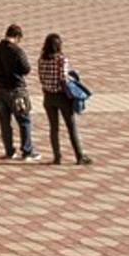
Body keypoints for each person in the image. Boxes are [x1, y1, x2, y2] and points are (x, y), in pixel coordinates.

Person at [0, 23, 37, 161]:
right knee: (24, 120)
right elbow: (26, 69)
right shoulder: (17, 51)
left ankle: (9, 151)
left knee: (5, 122)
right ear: (17, 37)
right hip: (16, 90)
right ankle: (27, 151)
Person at [36, 32, 92, 165]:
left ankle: (57, 157)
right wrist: (72, 78)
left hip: (48, 97)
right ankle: (79, 156)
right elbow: (63, 78)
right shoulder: (61, 59)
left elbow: (41, 78)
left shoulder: (41, 60)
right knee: (71, 127)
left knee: (54, 128)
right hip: (62, 97)